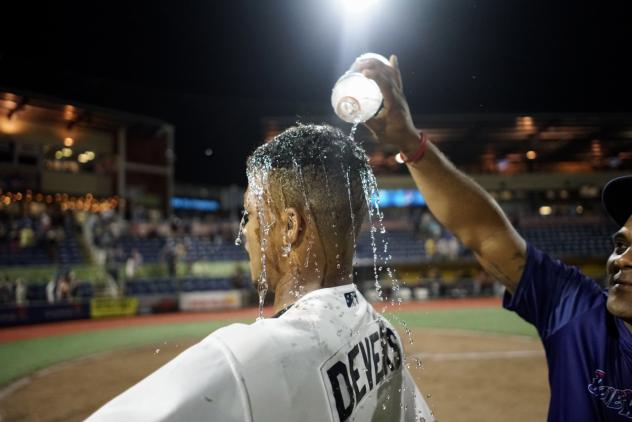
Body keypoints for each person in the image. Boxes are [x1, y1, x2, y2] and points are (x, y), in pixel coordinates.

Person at [88, 125, 434, 421]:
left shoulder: (243, 357)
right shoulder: (384, 335)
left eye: (249, 215)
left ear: (289, 227)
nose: (244, 234)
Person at [356, 54, 632, 421]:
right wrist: (408, 140)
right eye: (621, 244)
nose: (622, 260)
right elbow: (486, 234)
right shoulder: (579, 315)